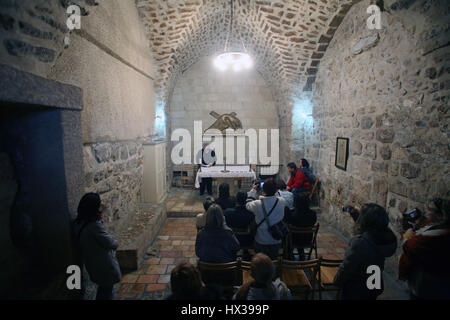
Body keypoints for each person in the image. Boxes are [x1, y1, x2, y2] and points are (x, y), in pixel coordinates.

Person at [334, 203, 397, 300]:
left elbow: (347, 267)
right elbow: (369, 230)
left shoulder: (360, 243)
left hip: (357, 288)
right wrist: (355, 214)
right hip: (374, 282)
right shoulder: (385, 237)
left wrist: (337, 281)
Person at [73, 193, 121, 300]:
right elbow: (111, 243)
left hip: (93, 263)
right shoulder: (94, 226)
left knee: (103, 289)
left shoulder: (79, 222)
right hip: (103, 265)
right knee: (107, 291)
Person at [399, 198, 450, 300]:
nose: (426, 211)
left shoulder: (435, 237)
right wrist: (418, 224)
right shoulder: (439, 225)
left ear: (441, 215)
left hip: (425, 279)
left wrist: (407, 234)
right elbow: (425, 226)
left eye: (430, 209)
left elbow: (408, 247)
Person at [246, 179, 286, 260]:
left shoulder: (257, 204)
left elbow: (247, 204)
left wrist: (253, 190)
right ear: (276, 190)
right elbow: (277, 197)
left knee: (261, 261)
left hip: (261, 239)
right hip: (276, 239)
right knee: (274, 259)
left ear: (263, 190)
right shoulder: (282, 201)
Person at [284, 193, 317, 260]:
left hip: (294, 240)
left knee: (286, 234)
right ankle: (301, 254)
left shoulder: (293, 215)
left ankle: (289, 255)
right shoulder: (313, 214)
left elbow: (287, 221)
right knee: (300, 234)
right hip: (307, 240)